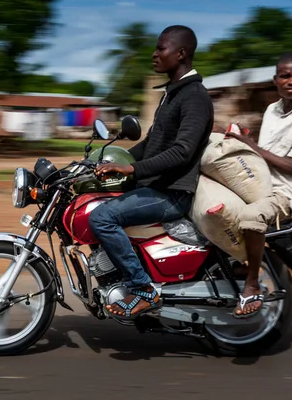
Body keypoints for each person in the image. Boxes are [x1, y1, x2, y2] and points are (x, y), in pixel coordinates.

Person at [88, 25, 214, 319]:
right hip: (156, 186)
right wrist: (107, 159)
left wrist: (130, 168)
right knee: (94, 202)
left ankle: (142, 289)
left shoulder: (195, 96)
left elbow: (182, 151)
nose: (154, 54)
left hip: (172, 192)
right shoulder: (172, 93)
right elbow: (150, 145)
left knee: (102, 217)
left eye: (161, 48)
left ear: (181, 53)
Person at [226, 52, 292, 318]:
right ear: (276, 80)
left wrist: (254, 148)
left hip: (285, 195)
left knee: (251, 216)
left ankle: (251, 284)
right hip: (258, 182)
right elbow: (267, 154)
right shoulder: (273, 110)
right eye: (285, 76)